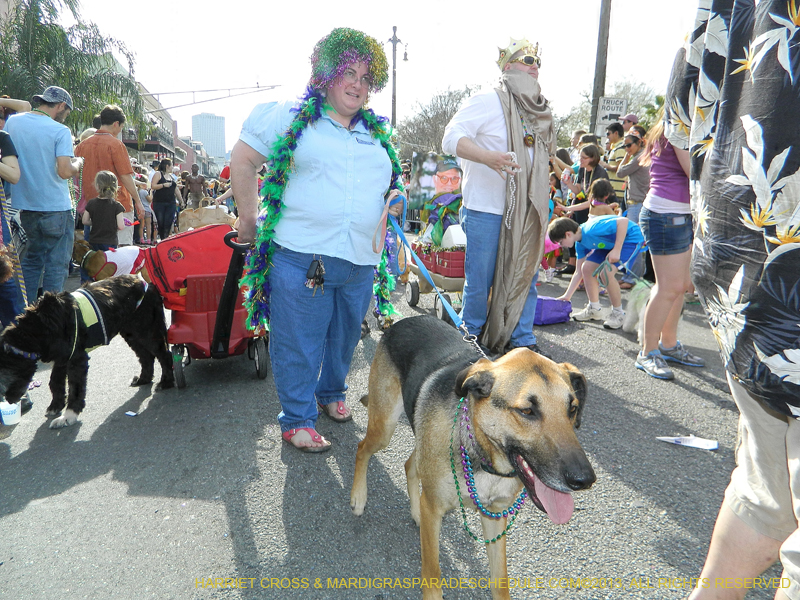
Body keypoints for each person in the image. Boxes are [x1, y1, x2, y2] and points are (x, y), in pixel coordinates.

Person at [656, 1, 800, 596]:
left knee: (766, 489)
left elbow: (684, 107)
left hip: (742, 255)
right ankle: (653, 347)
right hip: (783, 264)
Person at [232, 27, 404, 453]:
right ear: (326, 73)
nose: (357, 84)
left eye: (366, 77)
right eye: (348, 72)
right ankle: (297, 418)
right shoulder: (290, 116)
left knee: (345, 338)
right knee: (300, 341)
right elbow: (244, 158)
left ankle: (331, 393)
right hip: (302, 258)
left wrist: (396, 198)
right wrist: (248, 219)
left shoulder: (377, 134)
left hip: (361, 261)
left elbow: (390, 183)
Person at [442, 37, 555, 355]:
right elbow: (450, 138)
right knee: (480, 282)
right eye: (527, 60)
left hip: (527, 211)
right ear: (507, 66)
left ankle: (523, 341)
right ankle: (470, 339)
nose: (535, 66)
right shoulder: (486, 99)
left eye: (537, 62)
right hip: (486, 209)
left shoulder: (539, 109)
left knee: (525, 278)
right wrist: (488, 158)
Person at [633, 112, 704, 380]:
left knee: (680, 286)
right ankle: (647, 352)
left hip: (678, 215)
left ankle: (669, 344)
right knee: (668, 287)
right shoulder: (677, 127)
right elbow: (695, 172)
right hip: (665, 215)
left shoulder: (677, 125)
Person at [4, 86, 83, 299]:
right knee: (56, 266)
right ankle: (51, 314)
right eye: (67, 111)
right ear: (61, 106)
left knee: (31, 263)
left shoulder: (14, 122)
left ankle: (28, 312)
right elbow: (64, 171)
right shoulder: (60, 130)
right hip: (56, 207)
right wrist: (78, 163)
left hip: (26, 206)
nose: (66, 116)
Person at [549, 215, 644, 330]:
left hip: (630, 239)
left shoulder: (591, 229)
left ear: (568, 234)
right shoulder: (580, 243)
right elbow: (578, 272)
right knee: (586, 268)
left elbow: (623, 221)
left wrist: (617, 249)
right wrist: (566, 296)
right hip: (609, 244)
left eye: (560, 242)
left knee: (606, 273)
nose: (560, 246)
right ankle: (594, 309)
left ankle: (618, 313)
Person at [74, 105, 144, 247]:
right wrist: (138, 200)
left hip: (92, 205)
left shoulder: (82, 146)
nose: (120, 131)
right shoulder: (116, 145)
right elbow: (125, 176)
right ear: (116, 124)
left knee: (96, 251)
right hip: (118, 204)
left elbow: (77, 176)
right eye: (121, 127)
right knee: (121, 249)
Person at [616, 129, 650, 289]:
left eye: (629, 145)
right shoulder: (642, 155)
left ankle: (632, 279)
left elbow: (620, 172)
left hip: (637, 204)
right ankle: (629, 276)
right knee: (633, 241)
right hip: (635, 204)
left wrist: (626, 157)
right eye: (624, 146)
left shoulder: (639, 157)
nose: (626, 149)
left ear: (639, 143)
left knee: (634, 242)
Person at [81, 171, 125, 257]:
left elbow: (85, 221)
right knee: (108, 262)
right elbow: (121, 226)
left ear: (97, 186)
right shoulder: (117, 206)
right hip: (110, 242)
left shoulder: (91, 203)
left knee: (95, 261)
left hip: (94, 241)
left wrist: (95, 222)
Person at [151, 158, 182, 241]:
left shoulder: (172, 177)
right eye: (171, 165)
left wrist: (181, 201)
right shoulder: (158, 174)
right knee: (161, 222)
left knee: (168, 222)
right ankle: (162, 238)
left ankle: (165, 238)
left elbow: (176, 190)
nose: (172, 167)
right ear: (167, 166)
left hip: (171, 202)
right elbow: (153, 186)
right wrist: (163, 185)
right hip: (159, 202)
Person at [600, 122, 627, 203]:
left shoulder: (620, 148)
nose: (607, 136)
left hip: (617, 192)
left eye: (608, 134)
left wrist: (605, 165)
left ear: (616, 133)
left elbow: (620, 168)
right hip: (613, 190)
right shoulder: (615, 148)